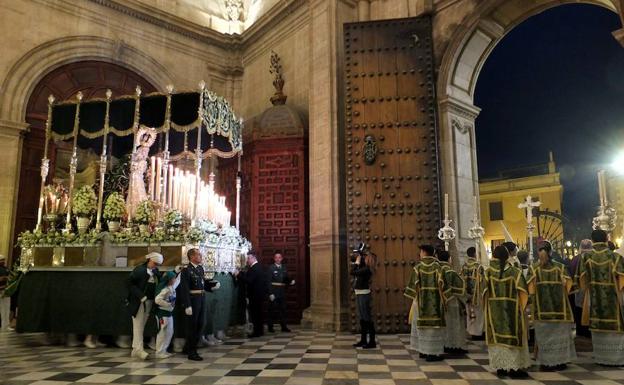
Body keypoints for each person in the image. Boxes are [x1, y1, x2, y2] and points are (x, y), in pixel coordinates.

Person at [526, 242, 576, 371]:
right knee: (560, 337)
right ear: (551, 252)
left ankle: (545, 362)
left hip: (541, 311)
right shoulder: (560, 267)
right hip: (560, 310)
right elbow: (569, 287)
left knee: (544, 337)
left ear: (539, 252)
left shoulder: (533, 269)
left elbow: (530, 291)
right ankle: (560, 362)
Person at [483, 245, 530, 379]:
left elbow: (482, 293)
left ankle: (501, 367)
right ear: (507, 256)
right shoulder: (515, 272)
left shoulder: (488, 272)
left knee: (498, 339)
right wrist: (522, 306)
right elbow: (524, 292)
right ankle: (515, 369)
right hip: (512, 312)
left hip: (494, 312)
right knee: (513, 336)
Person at [578, 229, 624, 366]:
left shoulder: (586, 257)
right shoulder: (615, 257)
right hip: (613, 300)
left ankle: (601, 357)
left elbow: (581, 280)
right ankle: (616, 359)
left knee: (598, 325)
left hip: (594, 299)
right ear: (606, 239)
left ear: (592, 240)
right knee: (615, 325)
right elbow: (622, 280)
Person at [404, 245, 445, 361]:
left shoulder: (418, 267)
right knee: (433, 329)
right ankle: (432, 353)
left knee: (421, 328)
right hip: (435, 304)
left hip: (421, 303)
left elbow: (412, 287)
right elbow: (444, 286)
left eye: (420, 252)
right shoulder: (438, 267)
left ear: (423, 252)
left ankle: (423, 351)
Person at [178, 248, 220, 361]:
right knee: (192, 327)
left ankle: (188, 347)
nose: (201, 256)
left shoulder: (200, 269)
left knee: (200, 325)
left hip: (201, 299)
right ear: (192, 257)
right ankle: (192, 352)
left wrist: (212, 286)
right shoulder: (186, 270)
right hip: (192, 301)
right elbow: (184, 288)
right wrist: (187, 305)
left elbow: (202, 284)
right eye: (198, 255)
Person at [127, 252, 163, 360]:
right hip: (139, 302)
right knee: (138, 325)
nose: (155, 266)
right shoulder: (139, 270)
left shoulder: (155, 271)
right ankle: (139, 349)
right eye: (154, 263)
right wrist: (140, 295)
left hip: (149, 301)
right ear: (149, 260)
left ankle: (135, 349)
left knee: (141, 325)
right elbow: (129, 284)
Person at [438, 249, 467, 355]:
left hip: (441, 302)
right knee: (455, 324)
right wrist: (466, 299)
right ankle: (455, 346)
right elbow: (461, 289)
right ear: (449, 259)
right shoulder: (451, 272)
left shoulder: (437, 271)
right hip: (452, 302)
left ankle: (445, 344)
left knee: (445, 325)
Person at [235, 251, 268, 338]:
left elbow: (249, 281)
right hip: (259, 295)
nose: (247, 260)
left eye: (248, 258)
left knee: (255, 314)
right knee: (259, 314)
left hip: (255, 295)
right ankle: (260, 331)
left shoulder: (254, 268)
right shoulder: (258, 267)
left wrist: (238, 275)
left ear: (253, 258)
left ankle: (257, 332)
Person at [351, 247, 377, 349]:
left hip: (364, 294)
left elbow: (352, 272)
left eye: (364, 257)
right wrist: (358, 260)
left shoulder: (366, 269)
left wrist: (356, 263)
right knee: (363, 319)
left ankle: (372, 341)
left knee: (367, 318)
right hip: (360, 293)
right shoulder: (364, 268)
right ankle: (363, 340)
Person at [154, 271, 180, 359]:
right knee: (162, 332)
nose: (174, 280)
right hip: (163, 314)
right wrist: (167, 304)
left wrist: (180, 272)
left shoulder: (171, 287)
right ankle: (159, 351)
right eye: (173, 278)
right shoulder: (164, 289)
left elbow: (178, 281)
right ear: (168, 280)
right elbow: (157, 300)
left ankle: (164, 350)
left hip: (169, 314)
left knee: (169, 332)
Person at [267, 253, 296, 333]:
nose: (278, 259)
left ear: (282, 258)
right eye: (276, 257)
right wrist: (270, 293)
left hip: (282, 292)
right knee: (272, 310)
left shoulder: (284, 267)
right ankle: (270, 326)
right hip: (274, 291)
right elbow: (268, 282)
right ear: (274, 259)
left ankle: (283, 326)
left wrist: (290, 282)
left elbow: (285, 279)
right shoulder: (271, 268)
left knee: (283, 310)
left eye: (279, 257)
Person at [569, 239, 592, 338]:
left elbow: (571, 274)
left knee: (579, 308)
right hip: (591, 290)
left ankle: (580, 331)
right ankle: (589, 332)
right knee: (589, 308)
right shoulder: (593, 258)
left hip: (578, 290)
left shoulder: (575, 259)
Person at [461, 247, 484, 340]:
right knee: (478, 314)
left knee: (469, 313)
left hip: (467, 294)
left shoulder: (464, 266)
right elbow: (483, 281)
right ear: (475, 254)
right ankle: (478, 333)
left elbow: (461, 280)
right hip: (477, 294)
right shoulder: (478, 266)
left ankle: (471, 332)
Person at [0, 255, 10, 331]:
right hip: (0, 290)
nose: (3, 261)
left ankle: (5, 326)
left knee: (6, 309)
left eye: (3, 260)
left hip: (6, 290)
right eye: (1, 260)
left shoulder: (6, 269)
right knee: (2, 309)